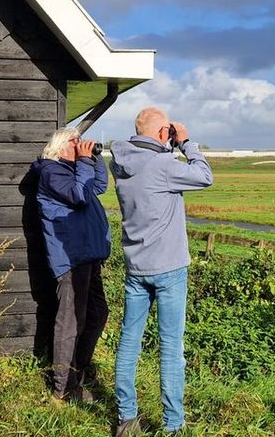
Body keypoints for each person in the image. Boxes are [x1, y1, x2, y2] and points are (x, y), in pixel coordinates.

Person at [109, 107, 213, 436]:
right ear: (161, 134)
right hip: (169, 268)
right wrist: (185, 142)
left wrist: (165, 142)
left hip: (135, 267)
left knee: (129, 341)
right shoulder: (164, 166)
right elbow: (204, 175)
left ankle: (127, 419)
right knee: (170, 346)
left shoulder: (119, 161)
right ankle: (173, 424)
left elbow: (147, 156)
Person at [31, 127, 112, 402]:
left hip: (87, 254)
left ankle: (78, 372)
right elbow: (79, 196)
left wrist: (94, 158)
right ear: (61, 145)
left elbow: (98, 186)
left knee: (98, 313)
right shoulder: (51, 172)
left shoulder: (73, 169)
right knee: (70, 322)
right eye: (75, 141)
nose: (80, 145)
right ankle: (63, 388)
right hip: (71, 256)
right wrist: (84, 162)